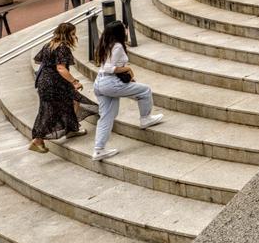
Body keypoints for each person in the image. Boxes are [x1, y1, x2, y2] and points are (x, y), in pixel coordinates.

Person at [90, 20, 162, 161]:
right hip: (110, 83)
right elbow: (109, 68)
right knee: (145, 91)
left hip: (100, 83)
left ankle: (99, 150)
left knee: (107, 116)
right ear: (119, 32)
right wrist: (127, 68)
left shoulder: (106, 44)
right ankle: (145, 118)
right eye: (124, 28)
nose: (126, 29)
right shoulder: (117, 46)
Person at [29, 23, 87, 153]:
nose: (75, 37)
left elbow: (41, 61)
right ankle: (37, 140)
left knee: (71, 101)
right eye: (72, 34)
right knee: (50, 111)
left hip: (45, 81)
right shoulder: (62, 48)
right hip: (53, 83)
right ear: (66, 35)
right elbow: (60, 68)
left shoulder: (49, 45)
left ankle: (71, 128)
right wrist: (74, 82)